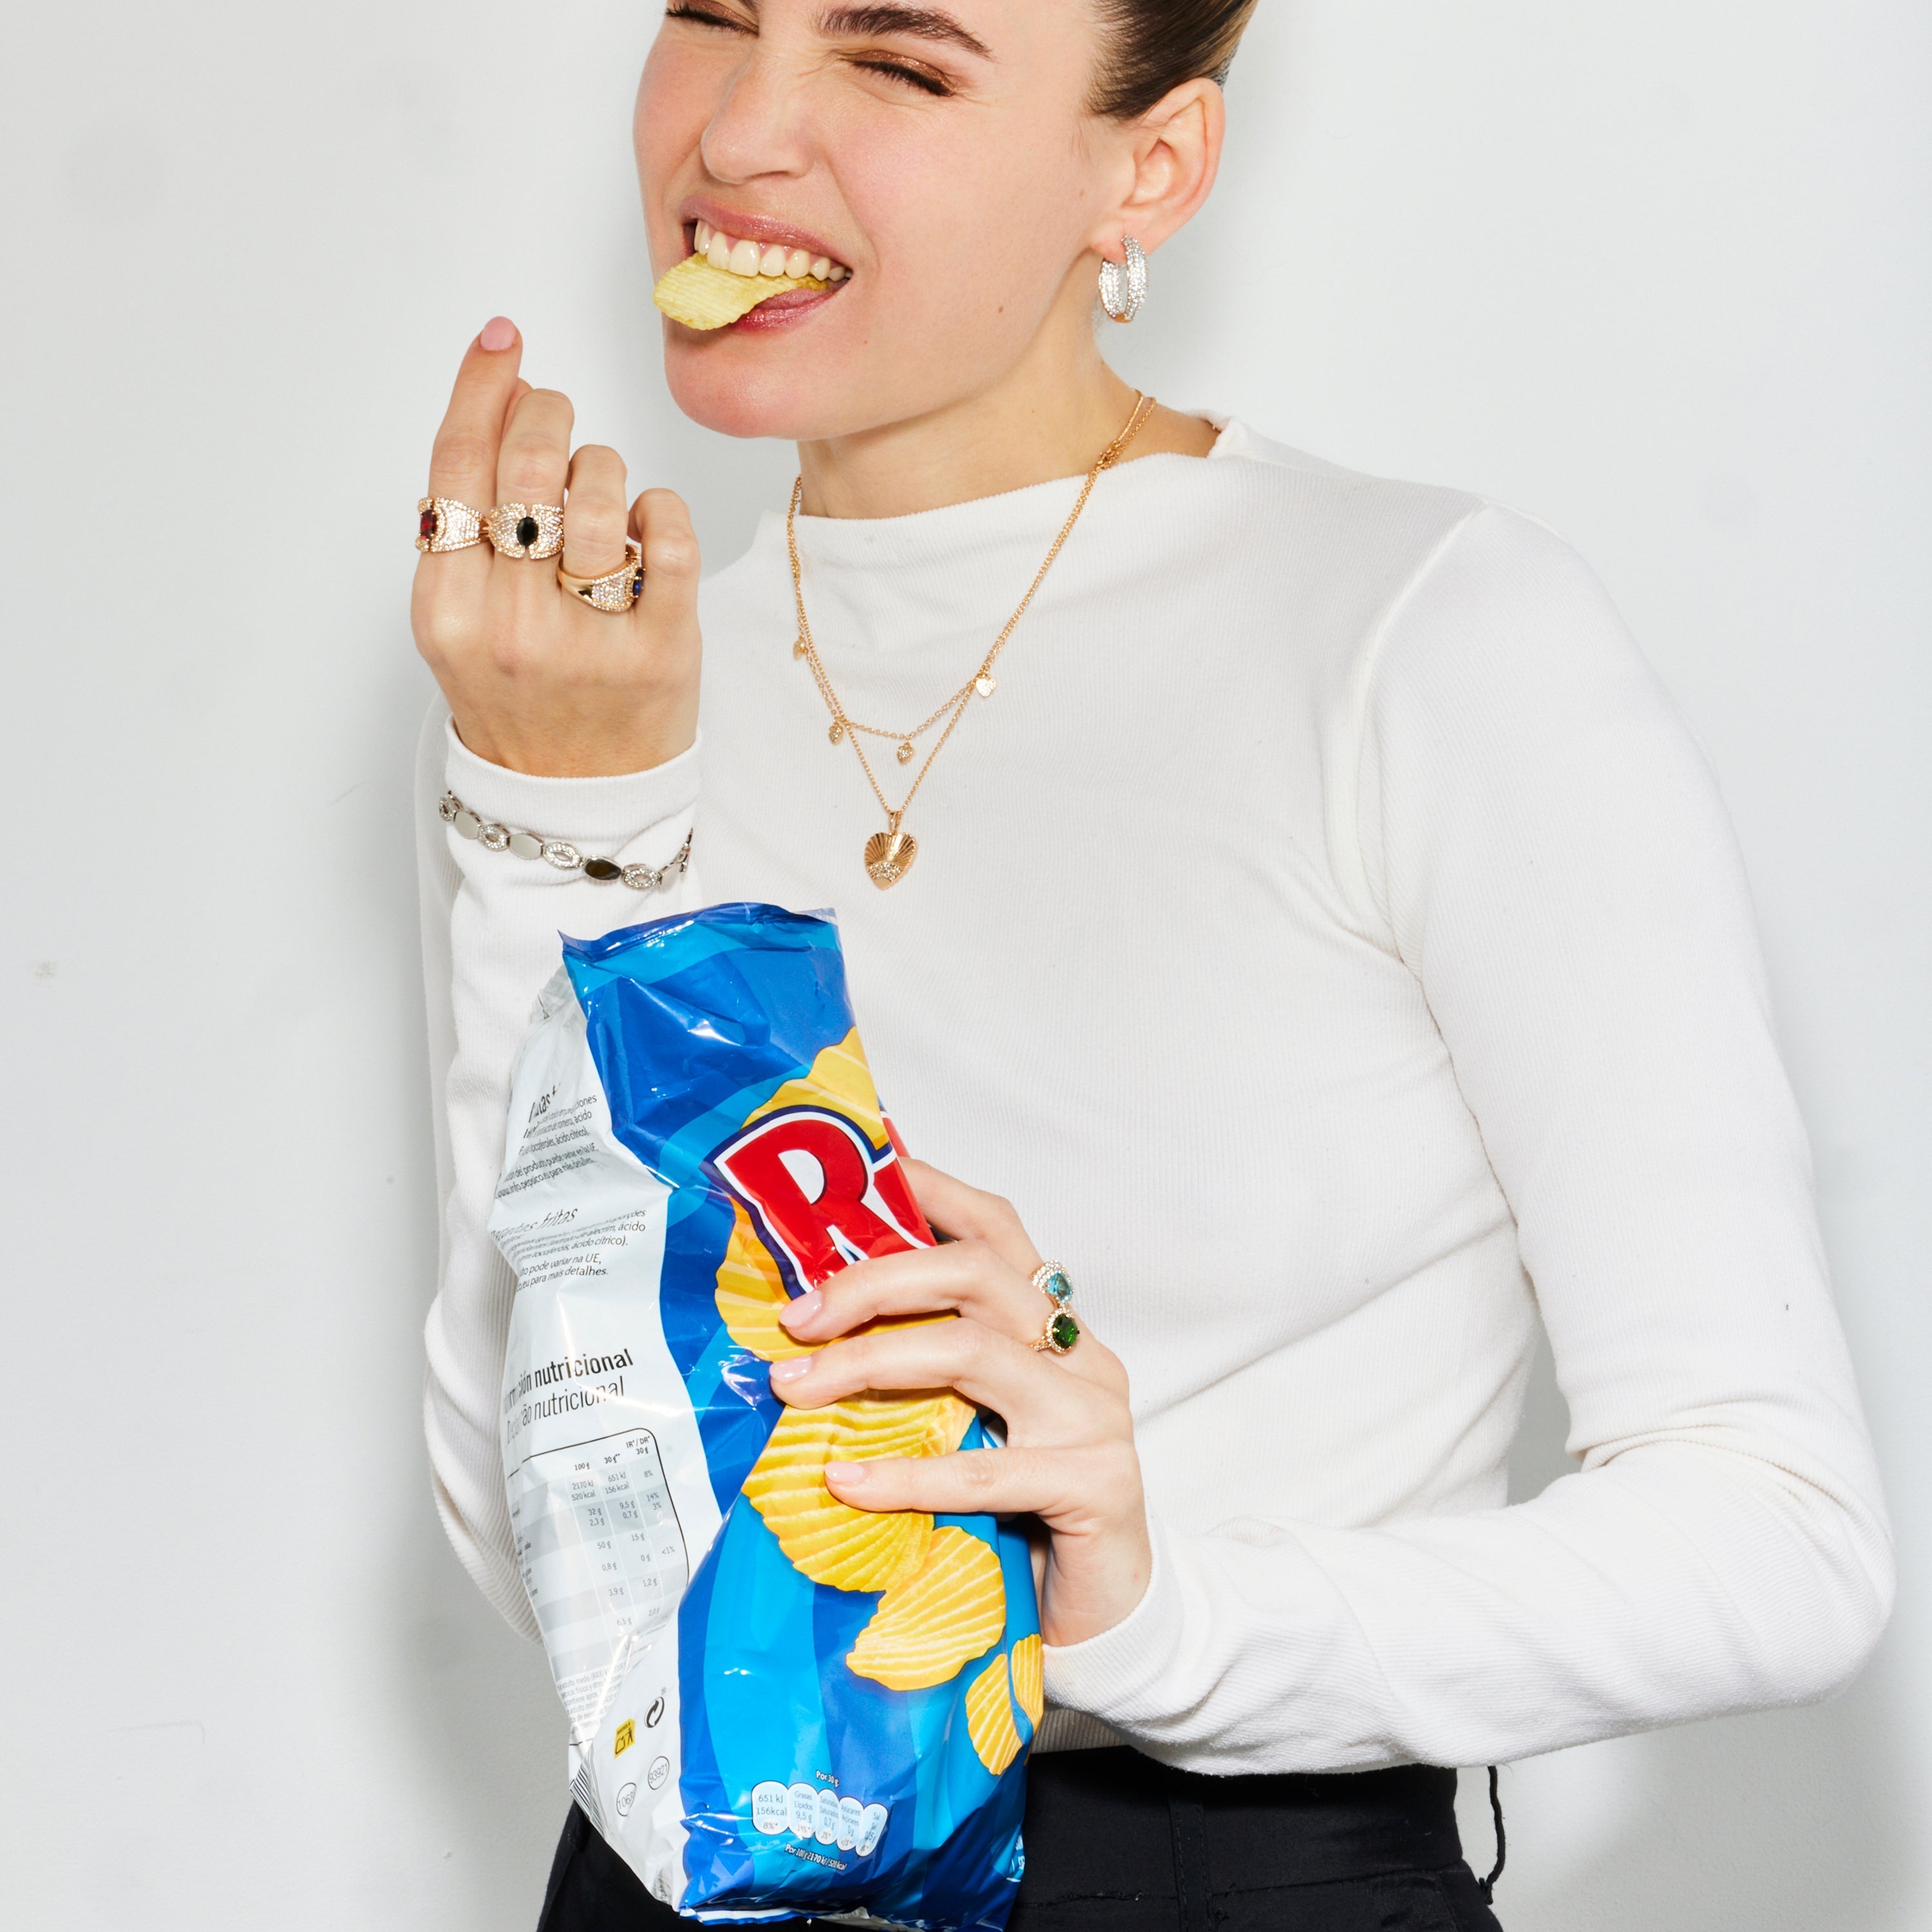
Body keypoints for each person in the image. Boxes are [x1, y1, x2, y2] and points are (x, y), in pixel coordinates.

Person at [410, 3, 1894, 1926]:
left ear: (1152, 167)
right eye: (712, 13)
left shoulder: (1424, 634)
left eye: (900, 60)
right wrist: (552, 810)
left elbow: (1779, 1536)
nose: (744, 130)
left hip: (1214, 1875)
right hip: (677, 1864)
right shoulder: (590, 669)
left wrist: (1158, 1609)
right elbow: (532, 1524)